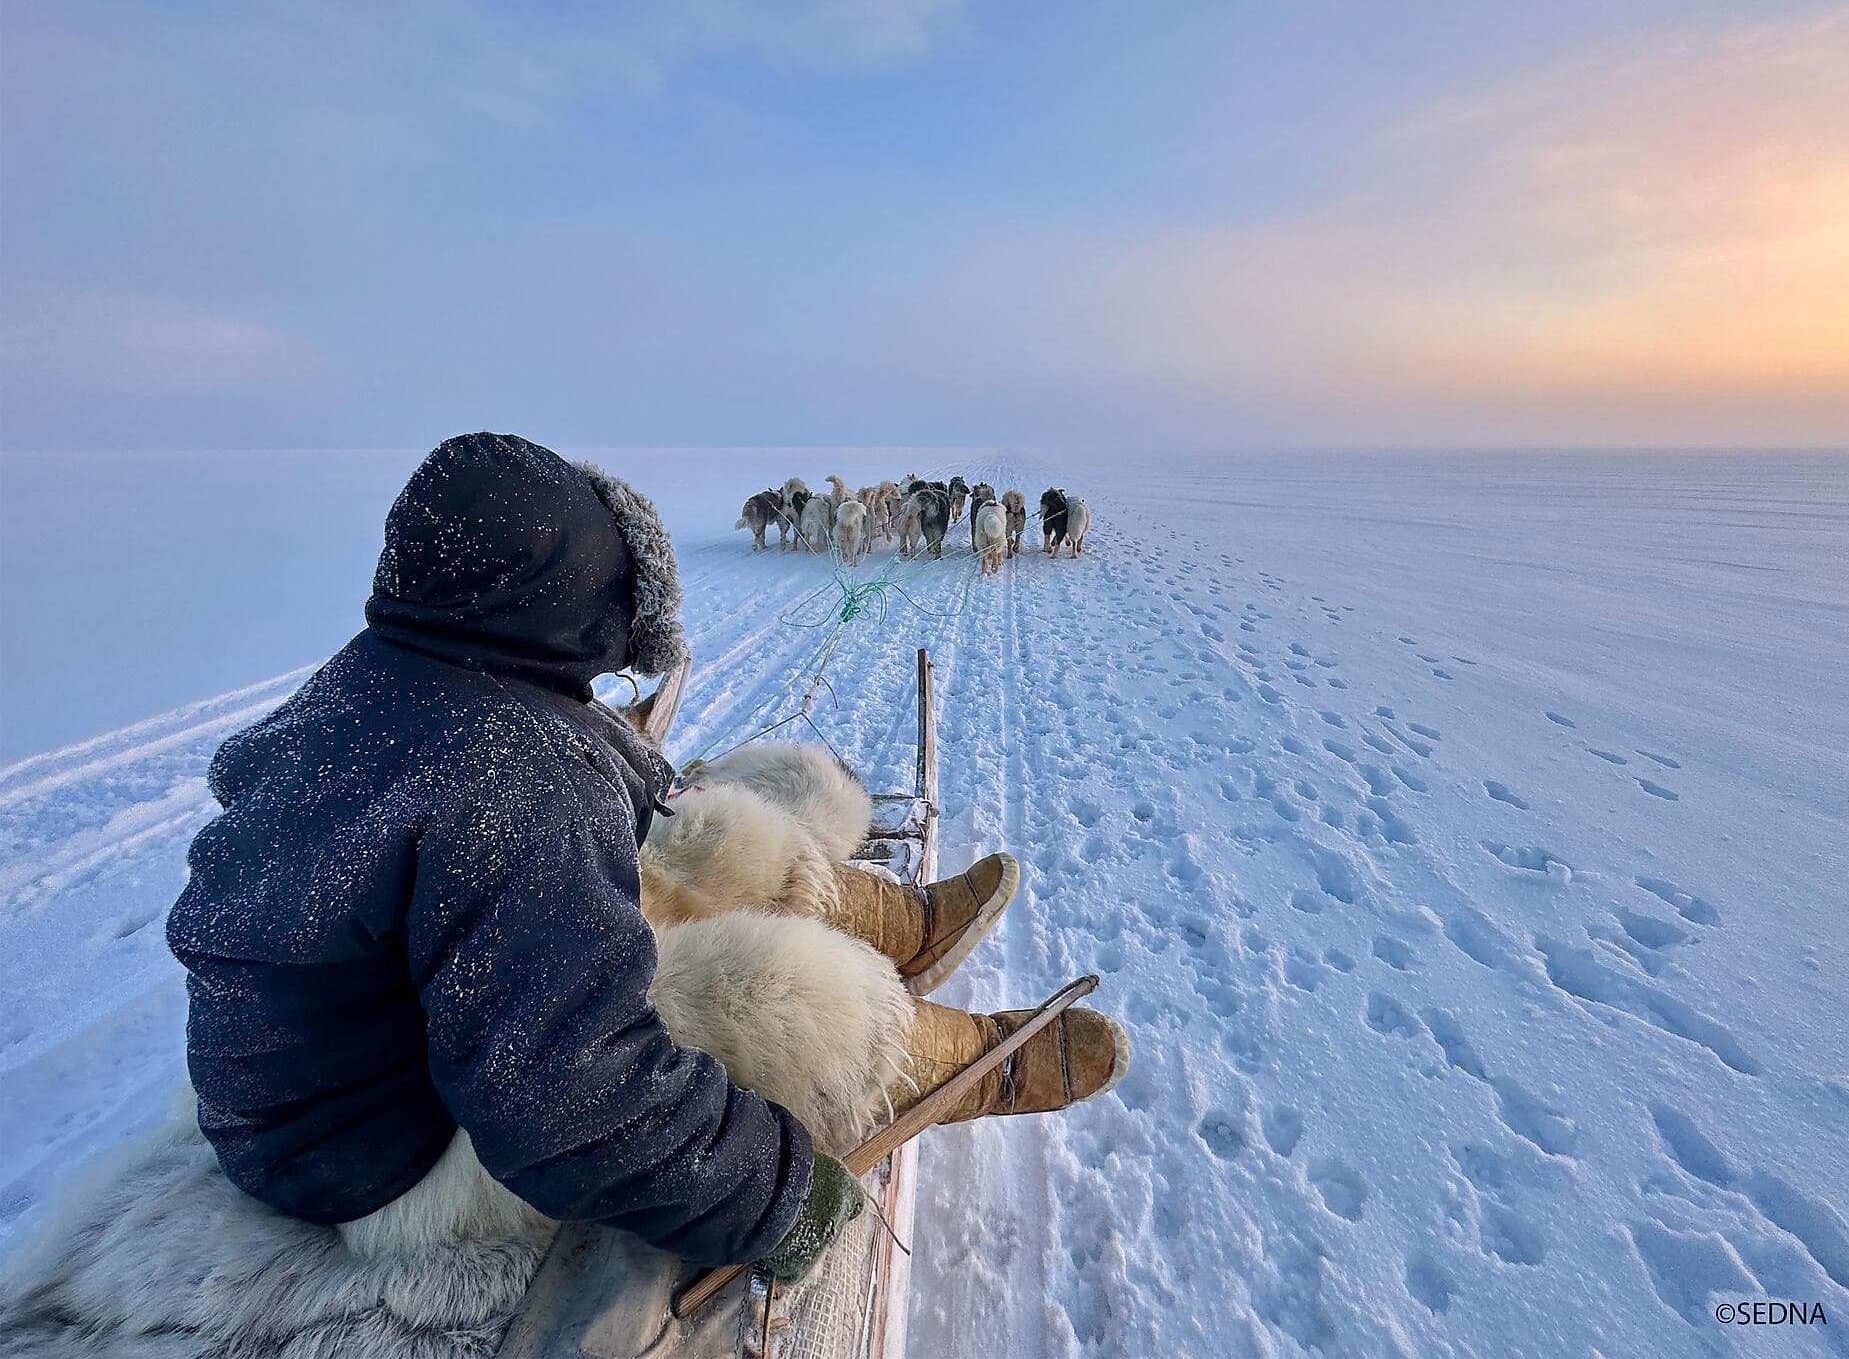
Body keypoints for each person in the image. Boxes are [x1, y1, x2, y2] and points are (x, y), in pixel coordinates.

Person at [163, 432, 1127, 1291]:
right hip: (381, 1161)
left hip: (340, 1078)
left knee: (685, 845)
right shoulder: (515, 772)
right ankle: (940, 1060)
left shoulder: (382, 682)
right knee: (757, 990)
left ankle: (897, 925)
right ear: (577, 595)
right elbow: (565, 1094)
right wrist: (775, 1196)